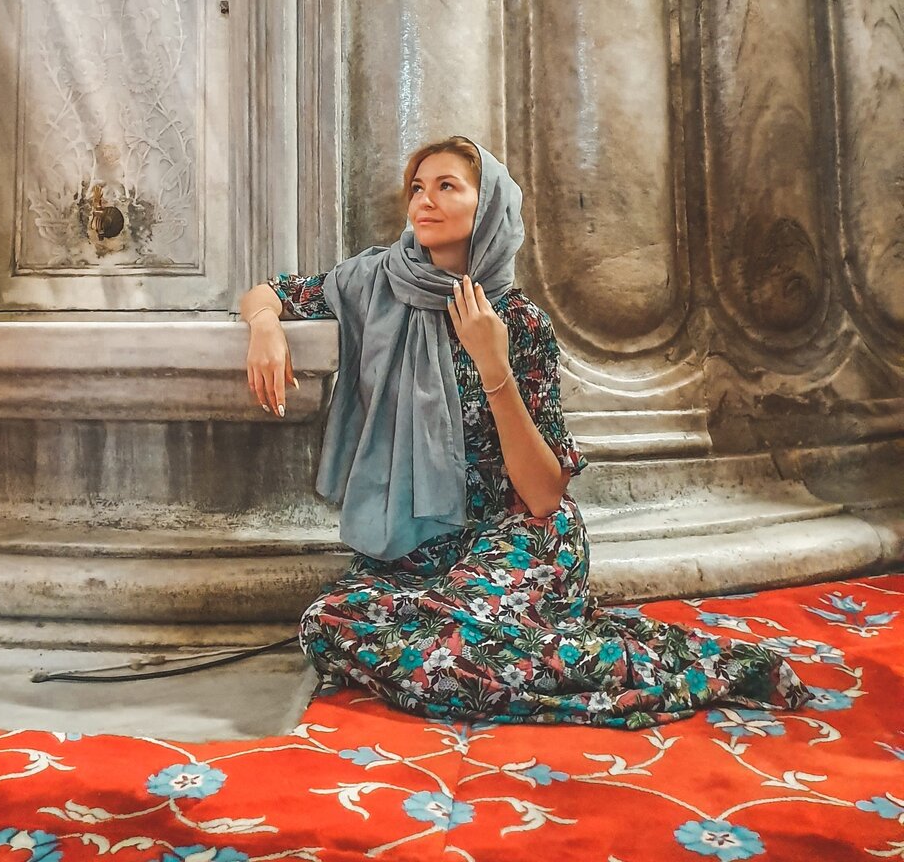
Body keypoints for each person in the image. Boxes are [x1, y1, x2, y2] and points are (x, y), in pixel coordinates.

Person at [239, 135, 810, 729]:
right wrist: (265, 327)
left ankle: (638, 671)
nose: (424, 201)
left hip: (516, 535)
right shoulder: (377, 283)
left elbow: (543, 493)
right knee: (327, 622)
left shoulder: (519, 322)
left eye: (446, 186)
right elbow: (269, 293)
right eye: (417, 187)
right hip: (416, 548)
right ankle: (540, 660)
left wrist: (494, 366)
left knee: (450, 639)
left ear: (487, 207)